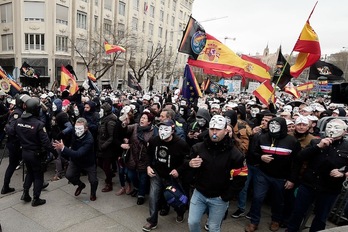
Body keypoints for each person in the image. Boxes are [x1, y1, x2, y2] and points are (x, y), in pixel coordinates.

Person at [287, 118, 348, 232]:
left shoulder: (347, 146)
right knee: (297, 212)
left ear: (344, 131)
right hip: (308, 185)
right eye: (329, 127)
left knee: (321, 217)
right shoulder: (315, 142)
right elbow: (300, 157)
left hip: (330, 189)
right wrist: (318, 147)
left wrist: (343, 172)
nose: (332, 130)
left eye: (337, 128)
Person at [187, 115, 246, 232]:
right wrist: (190, 164)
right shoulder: (198, 148)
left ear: (225, 131)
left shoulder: (236, 154)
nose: (214, 132)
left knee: (214, 228)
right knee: (192, 222)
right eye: (212, 129)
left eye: (218, 129)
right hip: (199, 194)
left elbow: (241, 177)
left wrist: (226, 196)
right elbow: (185, 165)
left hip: (219, 199)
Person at [245, 117, 301, 232]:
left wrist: (292, 179)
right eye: (271, 125)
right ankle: (254, 222)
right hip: (263, 174)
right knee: (257, 198)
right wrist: (261, 157)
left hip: (281, 177)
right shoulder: (262, 137)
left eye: (276, 125)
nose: (273, 127)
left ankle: (276, 220)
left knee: (278, 200)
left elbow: (296, 163)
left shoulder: (292, 141)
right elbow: (253, 152)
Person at [142, 119, 190, 231]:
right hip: (157, 174)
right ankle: (152, 221)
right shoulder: (154, 141)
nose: (162, 131)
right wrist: (148, 166)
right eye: (161, 128)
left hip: (172, 177)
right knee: (153, 197)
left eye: (166, 129)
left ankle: (180, 212)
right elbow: (148, 154)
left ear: (172, 130)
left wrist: (179, 170)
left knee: (176, 198)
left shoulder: (181, 143)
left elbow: (187, 159)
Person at [15, 97, 58, 207]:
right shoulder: (38, 124)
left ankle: (25, 193)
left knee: (30, 173)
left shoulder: (18, 121)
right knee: (38, 176)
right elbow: (46, 143)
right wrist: (54, 152)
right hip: (36, 154)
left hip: (25, 152)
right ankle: (36, 198)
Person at [53, 117, 98, 201]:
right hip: (75, 161)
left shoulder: (89, 140)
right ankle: (80, 185)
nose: (77, 131)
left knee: (93, 180)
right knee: (69, 175)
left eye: (80, 129)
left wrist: (63, 148)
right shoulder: (74, 132)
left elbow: (78, 154)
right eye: (76, 128)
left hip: (88, 162)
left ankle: (93, 193)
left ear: (86, 128)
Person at [1, 94, 30, 194]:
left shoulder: (21, 112)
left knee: (14, 164)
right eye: (25, 103)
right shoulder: (17, 114)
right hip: (15, 144)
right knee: (28, 163)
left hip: (16, 143)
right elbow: (12, 130)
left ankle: (5, 187)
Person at [97, 102, 117, 192]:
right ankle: (110, 174)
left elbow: (112, 136)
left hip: (108, 148)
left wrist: (104, 145)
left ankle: (109, 183)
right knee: (100, 163)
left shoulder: (110, 121)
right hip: (102, 146)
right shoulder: (104, 119)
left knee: (106, 166)